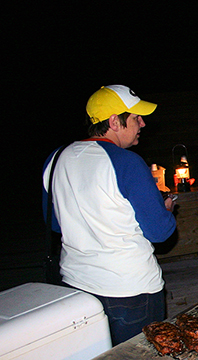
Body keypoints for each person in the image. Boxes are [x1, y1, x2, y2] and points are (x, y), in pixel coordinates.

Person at [42, 85, 176, 346]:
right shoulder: (127, 161)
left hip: (77, 287)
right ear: (114, 121)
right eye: (136, 117)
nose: (143, 123)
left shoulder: (56, 158)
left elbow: (55, 224)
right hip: (131, 291)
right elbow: (160, 232)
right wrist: (166, 209)